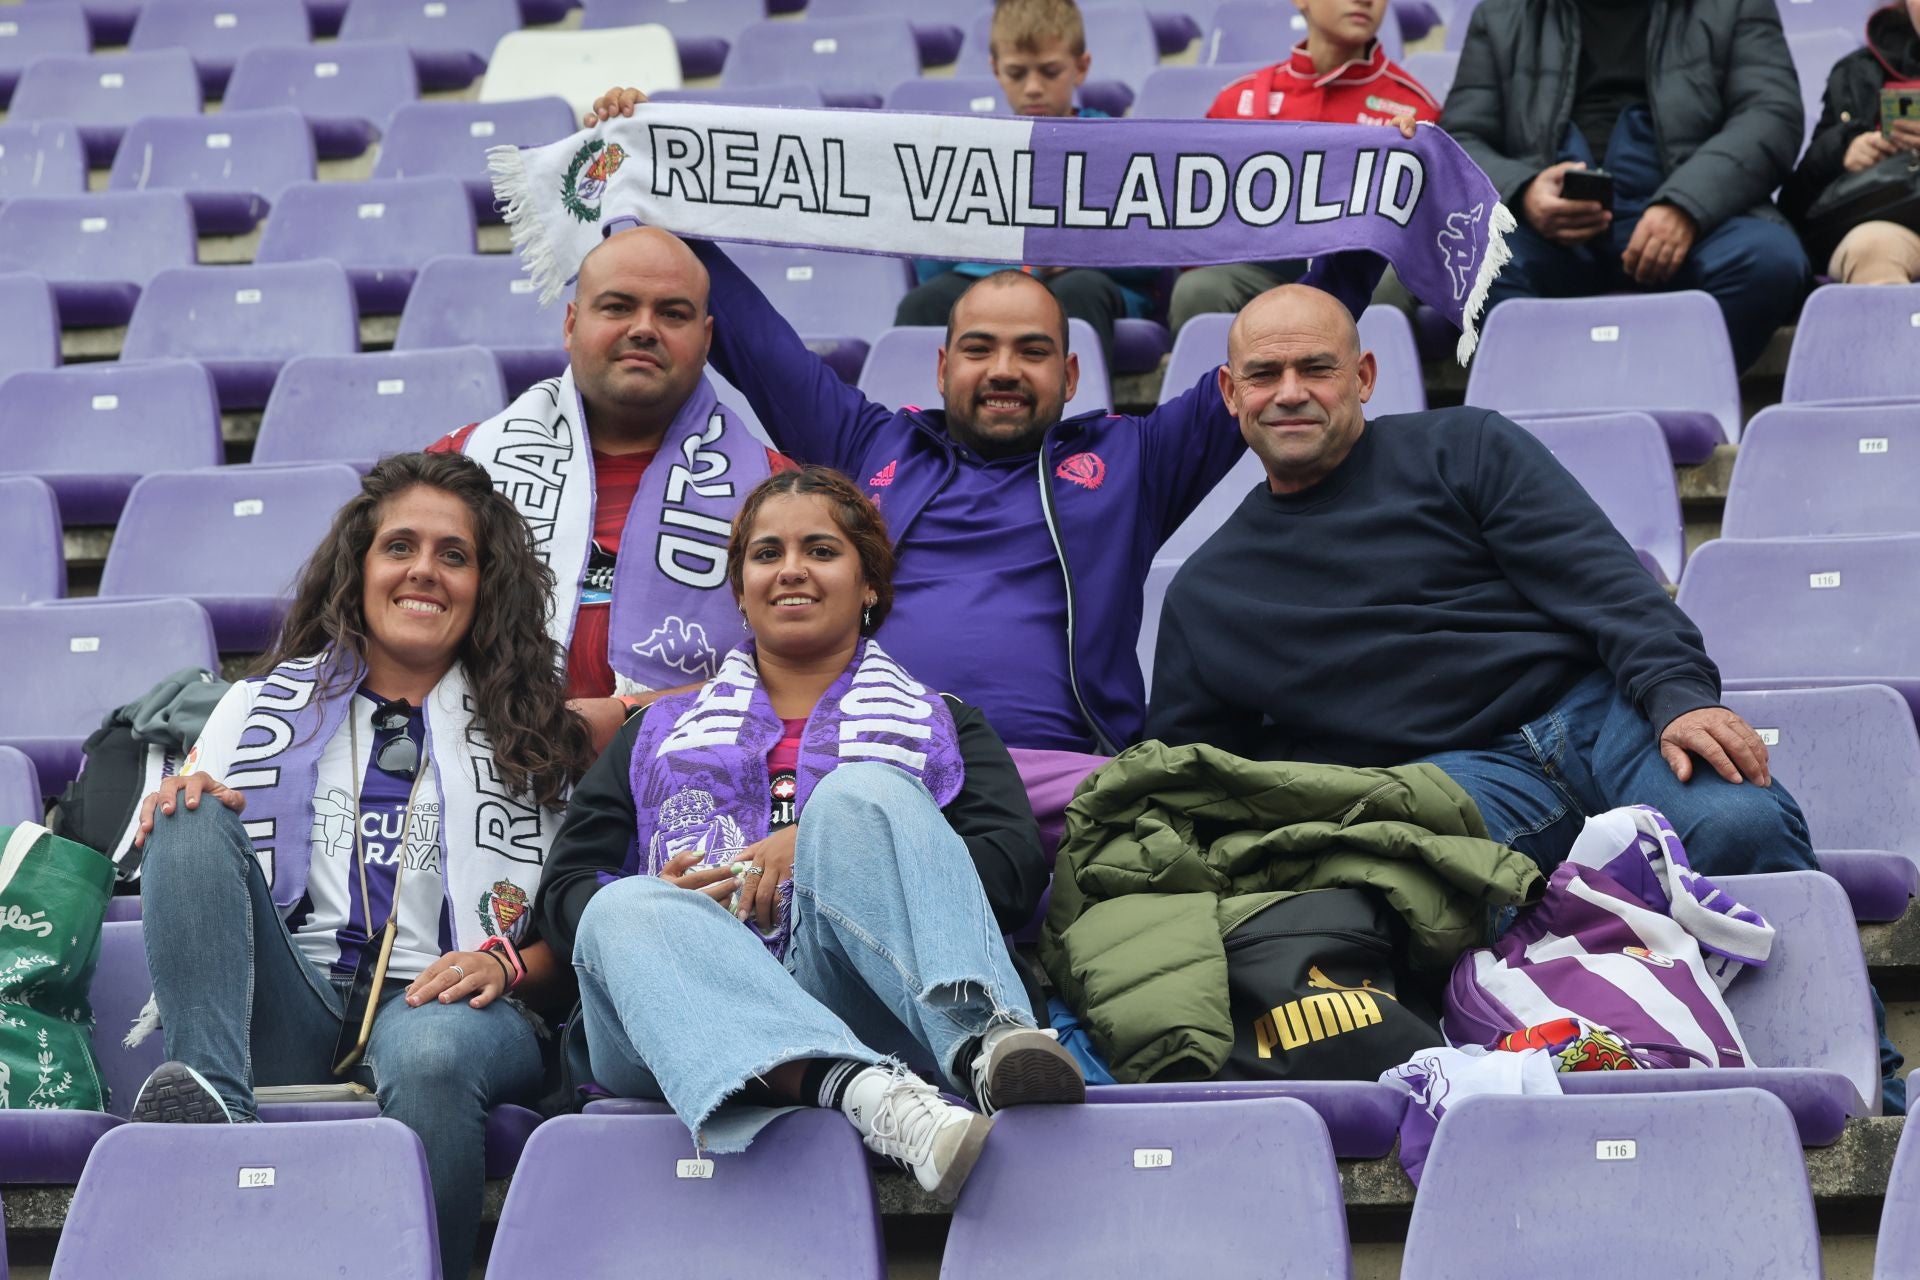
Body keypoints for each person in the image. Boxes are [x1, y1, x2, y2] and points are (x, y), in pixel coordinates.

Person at [1144, 284, 1813, 882]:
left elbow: (1611, 589)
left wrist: (1681, 699)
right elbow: (1197, 778)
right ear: (1232, 393)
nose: (1291, 391)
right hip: (1448, 780)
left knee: (1740, 827)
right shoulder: (1208, 596)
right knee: (1410, 892)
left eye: (1316, 368)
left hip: (1594, 719)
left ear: (1364, 376)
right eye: (1265, 374)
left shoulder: (1466, 447)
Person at [535, 466, 1078, 1203]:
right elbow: (566, 893)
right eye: (766, 554)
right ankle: (865, 1091)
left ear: (870, 586)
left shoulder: (942, 721)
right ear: (740, 589)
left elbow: (1013, 873)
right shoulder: (653, 734)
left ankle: (980, 1050)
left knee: (863, 791)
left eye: (821, 551)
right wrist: (669, 905)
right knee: (623, 908)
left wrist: (826, 850)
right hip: (681, 1012)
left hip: (875, 1003)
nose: (791, 570)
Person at [126, 452, 594, 1280]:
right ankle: (212, 1120)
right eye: (400, 547)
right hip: (289, 1003)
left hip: (459, 1013)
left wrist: (507, 965)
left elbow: (577, 934)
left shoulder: (540, 737)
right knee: (187, 809)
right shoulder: (256, 706)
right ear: (360, 568)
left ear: (487, 585)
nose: (425, 570)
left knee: (428, 1055)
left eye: (454, 555)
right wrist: (184, 793)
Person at [428, 226, 794, 754]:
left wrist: (630, 717)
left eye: (673, 313)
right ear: (572, 324)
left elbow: (808, 670)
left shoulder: (778, 491)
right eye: (618, 307)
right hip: (479, 767)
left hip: (700, 783)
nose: (644, 329)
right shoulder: (459, 464)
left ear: (707, 338)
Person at [1442, 0, 1809, 369]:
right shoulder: (1503, 12)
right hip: (1545, 228)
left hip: (1690, 212)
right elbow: (1459, 138)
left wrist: (1686, 205)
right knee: (1469, 268)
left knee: (1770, 261)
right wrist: (1523, 192)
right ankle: (1557, 402)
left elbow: (1772, 115)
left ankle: (1668, 391)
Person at [894, 0, 1160, 368]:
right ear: (996, 70)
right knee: (922, 303)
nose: (1033, 87)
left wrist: (1071, 250)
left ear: (1081, 67)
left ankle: (1074, 422)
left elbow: (1155, 256)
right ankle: (921, 424)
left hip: (1091, 282)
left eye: (1050, 71)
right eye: (1017, 73)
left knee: (1076, 292)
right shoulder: (975, 151)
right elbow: (932, 266)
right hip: (992, 281)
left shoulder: (1117, 146)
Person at [1171, 0, 1441, 333]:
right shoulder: (1238, 100)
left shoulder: (1414, 110)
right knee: (1198, 290)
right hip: (1259, 271)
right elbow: (1194, 218)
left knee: (1385, 283)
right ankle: (1216, 387)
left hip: (1356, 273)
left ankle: (1369, 385)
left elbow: (1432, 232)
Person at [1781, 0, 1920, 284]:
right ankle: (1888, 329)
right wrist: (1844, 152)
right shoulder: (1859, 73)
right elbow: (1796, 206)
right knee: (1871, 248)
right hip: (1897, 225)